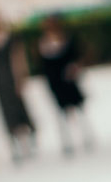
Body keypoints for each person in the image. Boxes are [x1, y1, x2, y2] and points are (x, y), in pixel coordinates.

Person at [0, 10, 36, 164]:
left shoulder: (9, 37)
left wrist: (21, 79)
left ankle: (28, 142)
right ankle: (15, 146)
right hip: (0, 82)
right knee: (6, 115)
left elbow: (19, 59)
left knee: (20, 111)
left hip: (12, 79)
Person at [38, 13, 95, 156]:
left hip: (69, 79)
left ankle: (86, 135)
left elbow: (78, 56)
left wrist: (75, 68)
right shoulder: (43, 44)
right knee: (61, 112)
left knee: (78, 108)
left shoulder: (68, 39)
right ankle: (67, 142)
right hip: (55, 82)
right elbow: (43, 66)